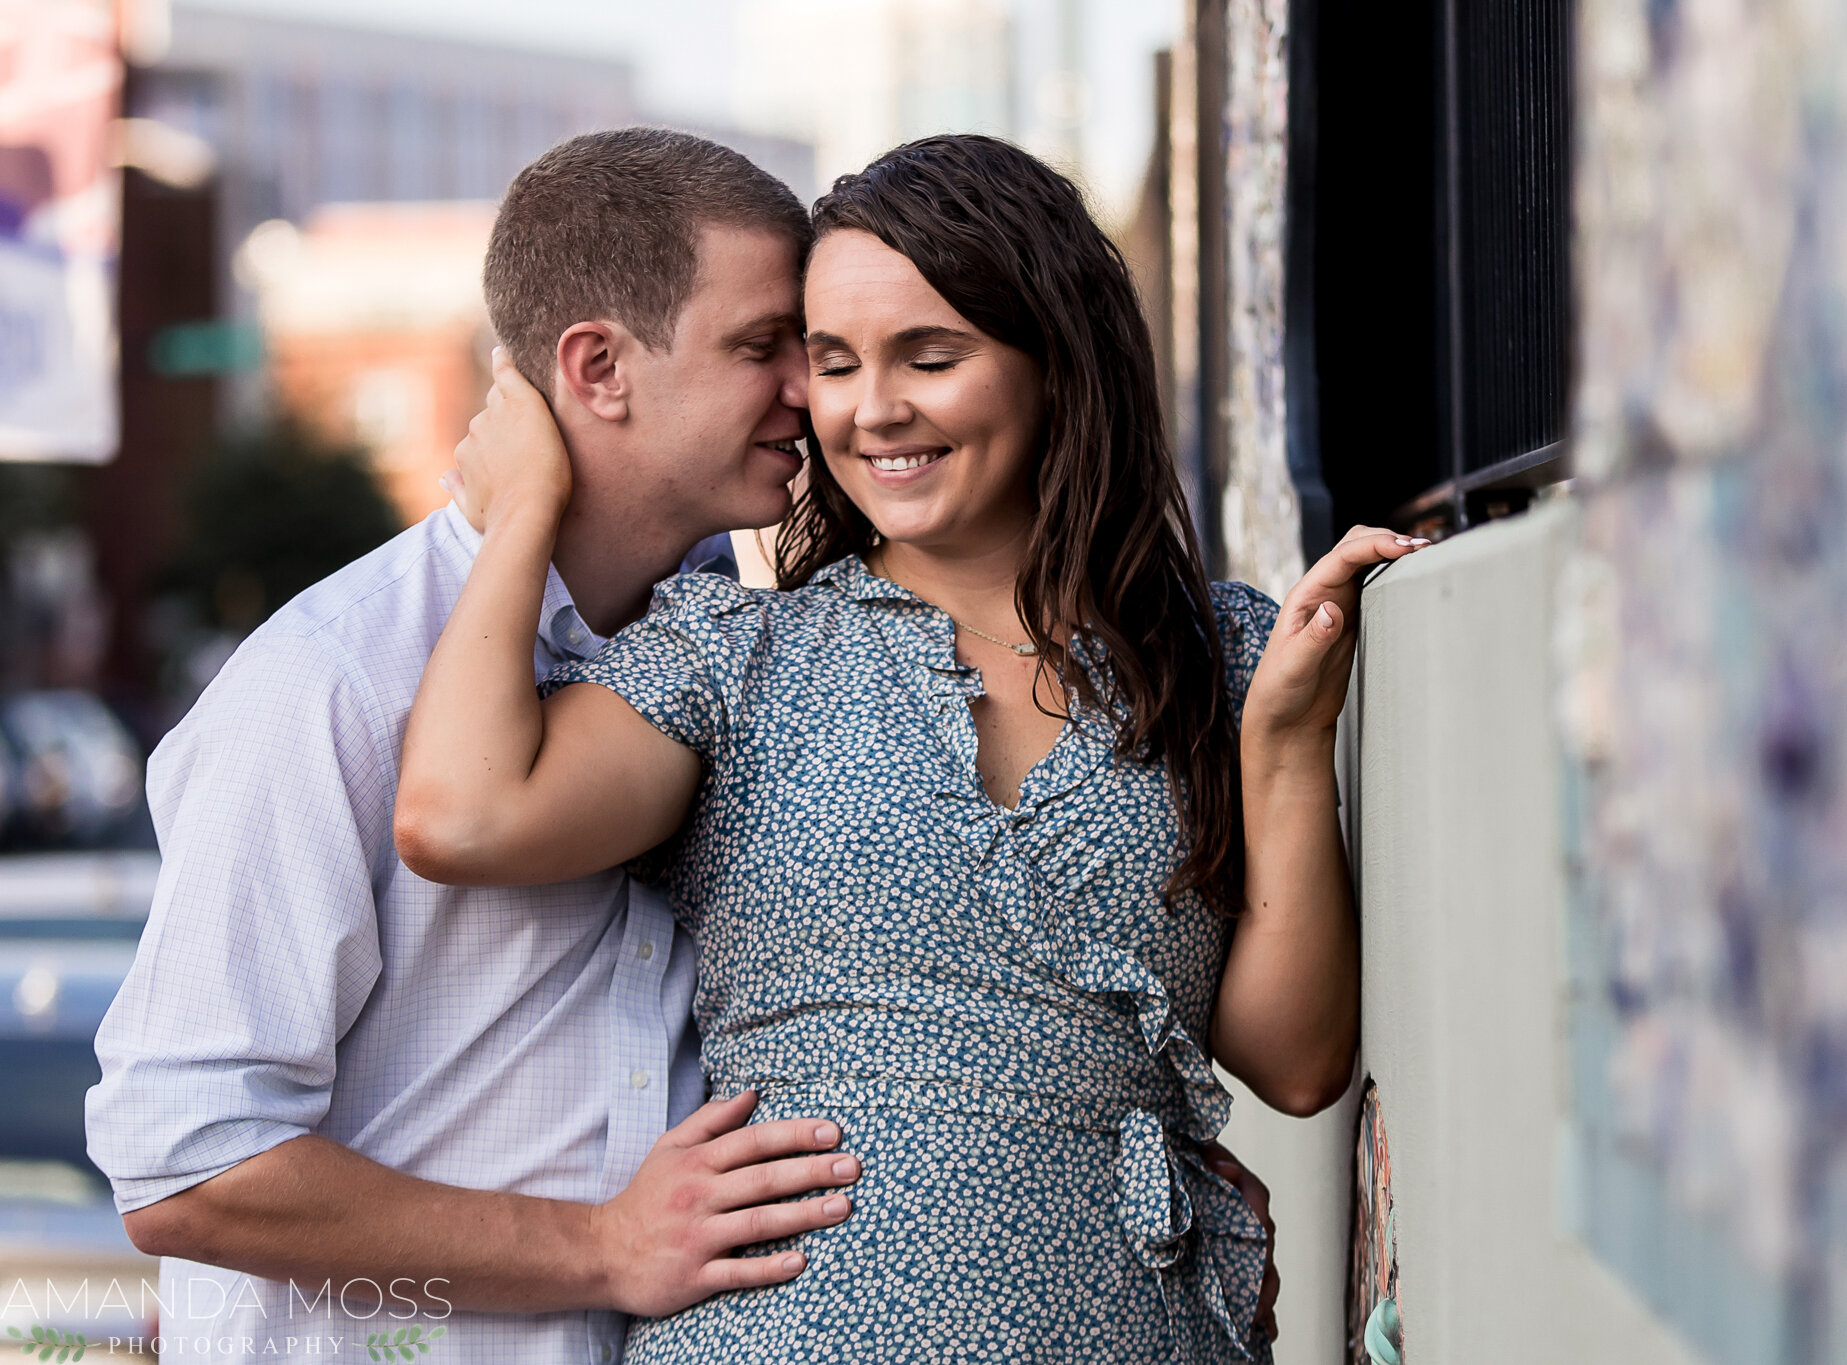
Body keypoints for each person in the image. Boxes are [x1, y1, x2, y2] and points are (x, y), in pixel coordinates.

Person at [397, 135, 1422, 1363]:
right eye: (833, 364)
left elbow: (1295, 1061)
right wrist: (524, 509)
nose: (871, 409)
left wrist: (1287, 748)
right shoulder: (736, 658)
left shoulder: (1219, 656)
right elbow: (459, 818)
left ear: (1056, 362)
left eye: (929, 356)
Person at [85, 129, 865, 1364]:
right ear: (597, 367)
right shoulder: (332, 682)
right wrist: (603, 1246)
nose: (812, 392)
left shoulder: (752, 655)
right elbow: (188, 1163)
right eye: (762, 346)